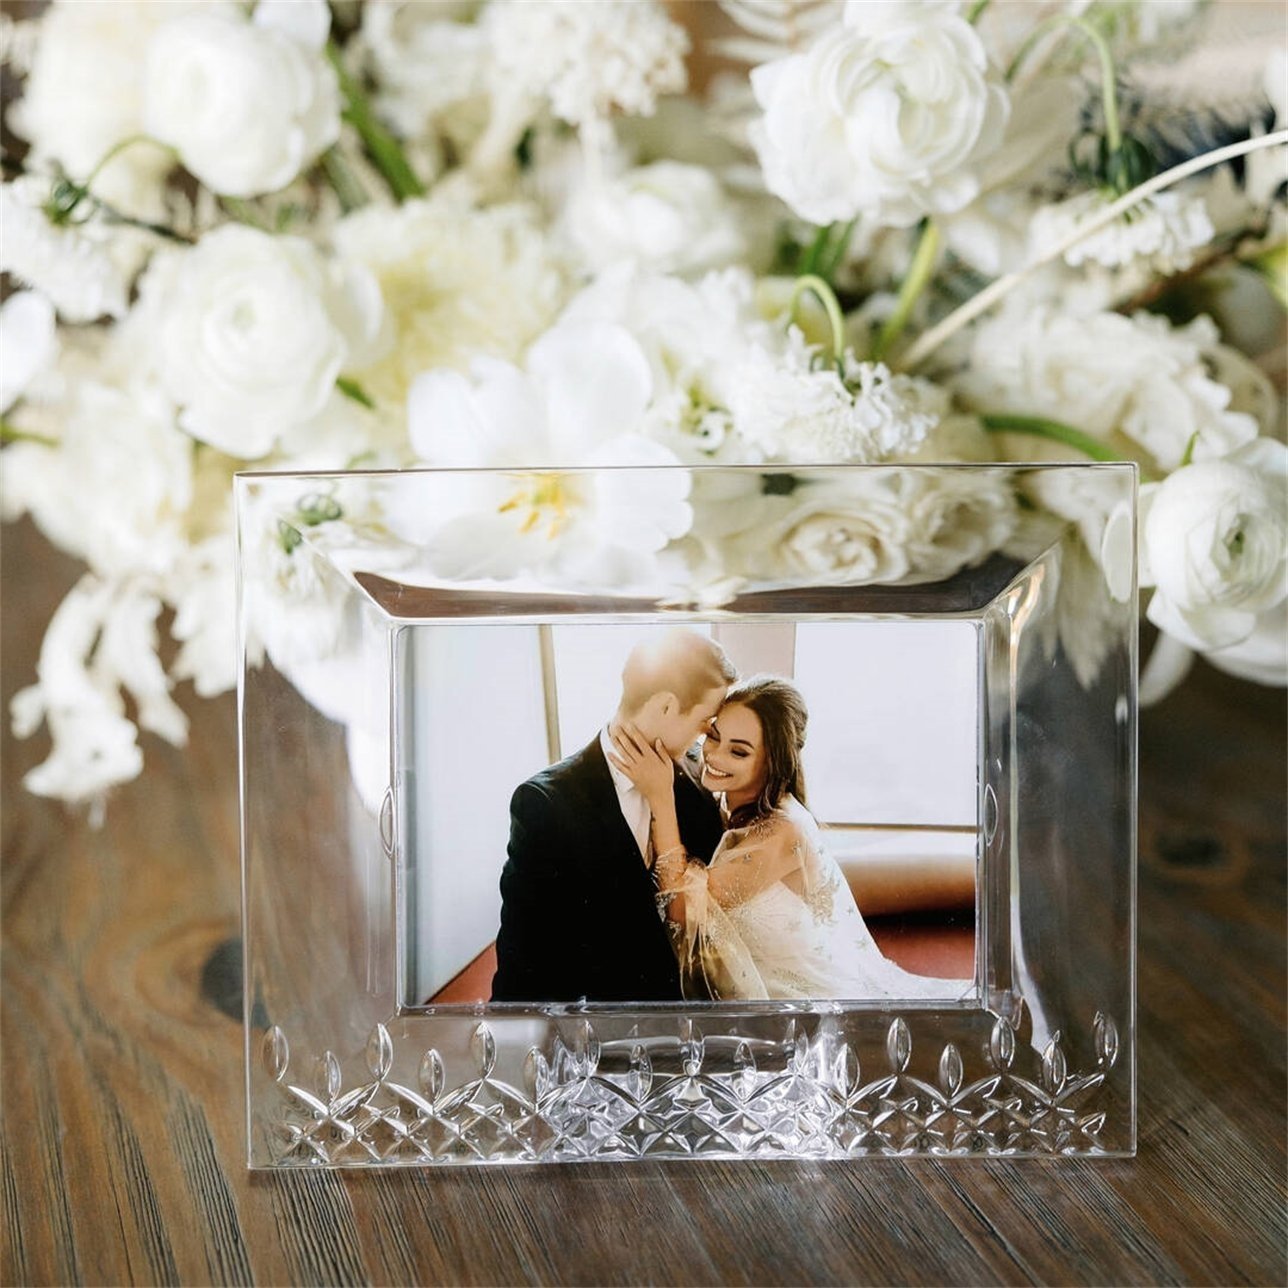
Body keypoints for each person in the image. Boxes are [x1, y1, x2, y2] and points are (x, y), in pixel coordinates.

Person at [610, 676, 973, 1002]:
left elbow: (681, 912)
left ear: (772, 763)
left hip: (804, 1001)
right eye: (714, 737)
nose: (714, 756)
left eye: (739, 751)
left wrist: (660, 798)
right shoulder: (735, 801)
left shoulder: (783, 831)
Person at [490, 629, 737, 1002]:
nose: (704, 739)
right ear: (666, 706)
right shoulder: (545, 803)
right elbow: (524, 955)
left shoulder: (701, 781)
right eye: (704, 722)